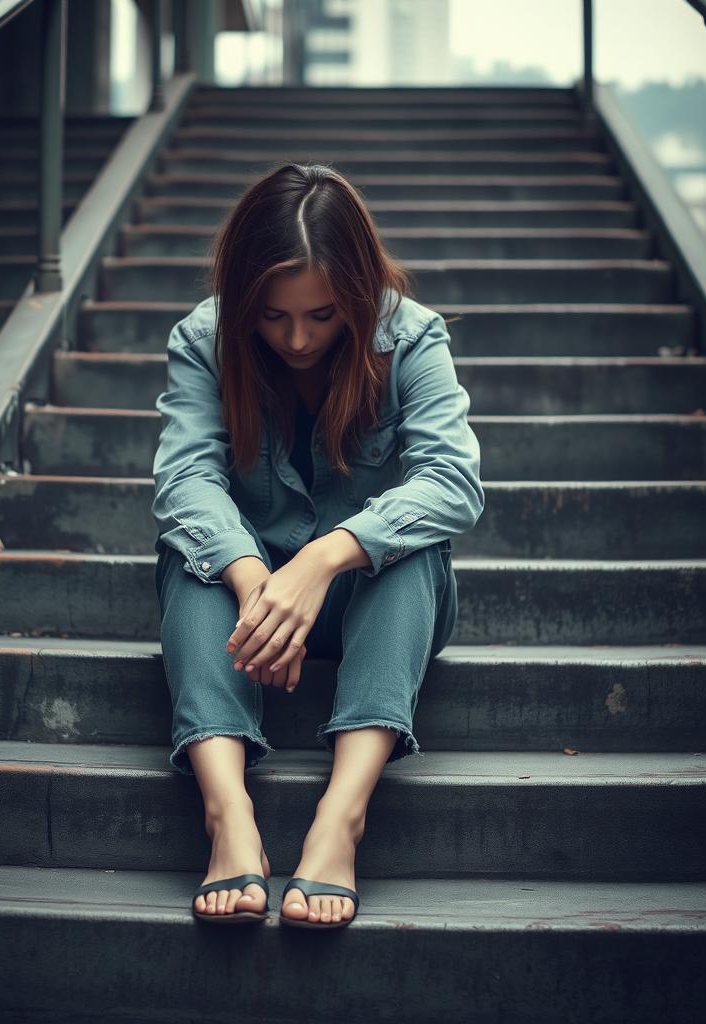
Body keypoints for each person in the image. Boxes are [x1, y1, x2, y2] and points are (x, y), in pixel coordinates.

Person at [152, 163, 484, 929]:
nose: (297, 338)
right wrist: (251, 578)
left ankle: (341, 817)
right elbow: (184, 480)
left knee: (410, 547)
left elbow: (453, 481)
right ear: (241, 299)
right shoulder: (204, 339)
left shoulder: (410, 338)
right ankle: (226, 813)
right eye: (271, 317)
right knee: (190, 551)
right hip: (249, 607)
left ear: (360, 293)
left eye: (323, 314)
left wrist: (325, 556)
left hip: (370, 599)